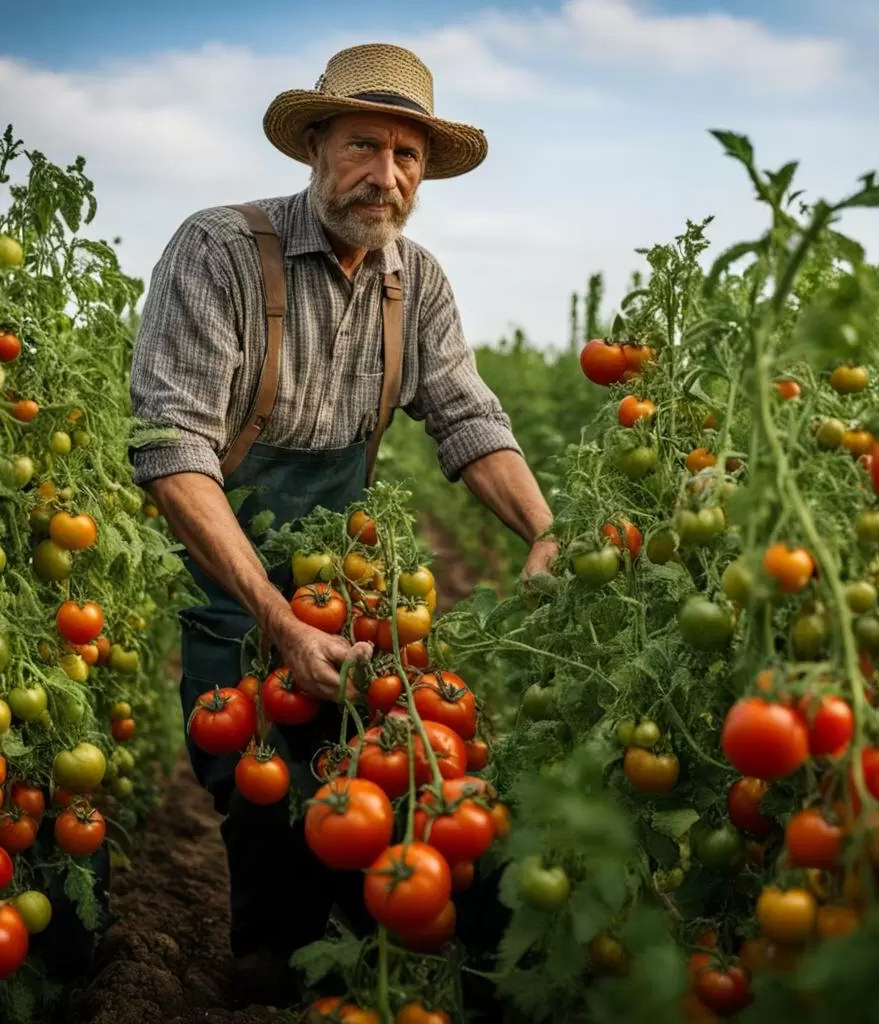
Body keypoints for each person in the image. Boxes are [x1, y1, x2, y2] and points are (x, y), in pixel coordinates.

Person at [128, 42, 556, 1005]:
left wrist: (542, 529)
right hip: (230, 567)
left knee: (372, 761)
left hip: (348, 579)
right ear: (314, 148)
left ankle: (373, 948)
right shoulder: (223, 252)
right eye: (365, 144)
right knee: (253, 781)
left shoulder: (419, 282)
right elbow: (172, 451)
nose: (388, 175)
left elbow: (467, 417)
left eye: (409, 157)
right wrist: (275, 618)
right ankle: (272, 963)